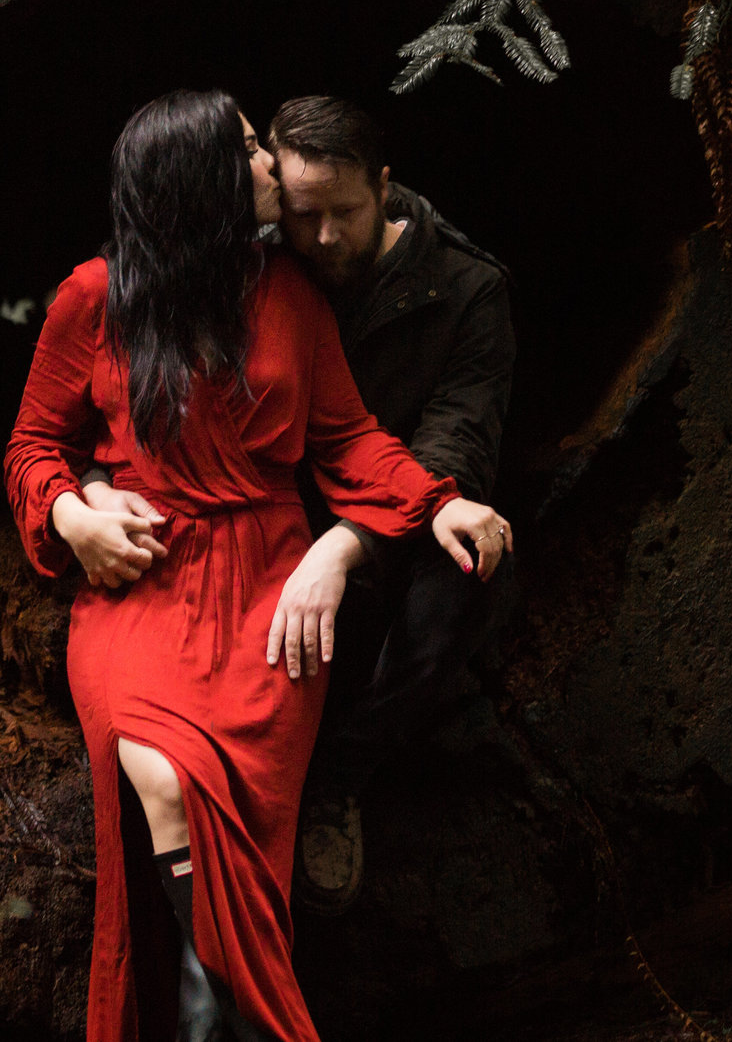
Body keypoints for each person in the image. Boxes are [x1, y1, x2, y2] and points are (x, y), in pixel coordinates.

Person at [5, 90, 511, 1042]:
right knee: (160, 772)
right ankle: (270, 1023)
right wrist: (73, 511)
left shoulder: (290, 294)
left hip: (267, 595)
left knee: (230, 811)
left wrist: (440, 501)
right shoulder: (93, 297)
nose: (272, 164)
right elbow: (32, 441)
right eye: (249, 151)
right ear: (202, 182)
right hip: (143, 586)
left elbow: (350, 437)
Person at [257, 95, 518, 915]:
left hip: (393, 534)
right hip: (268, 525)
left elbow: (457, 448)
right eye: (305, 215)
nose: (325, 236)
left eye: (346, 211)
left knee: (472, 569)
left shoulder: (466, 288)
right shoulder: (261, 267)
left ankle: (337, 778)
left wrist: (344, 547)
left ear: (386, 187)